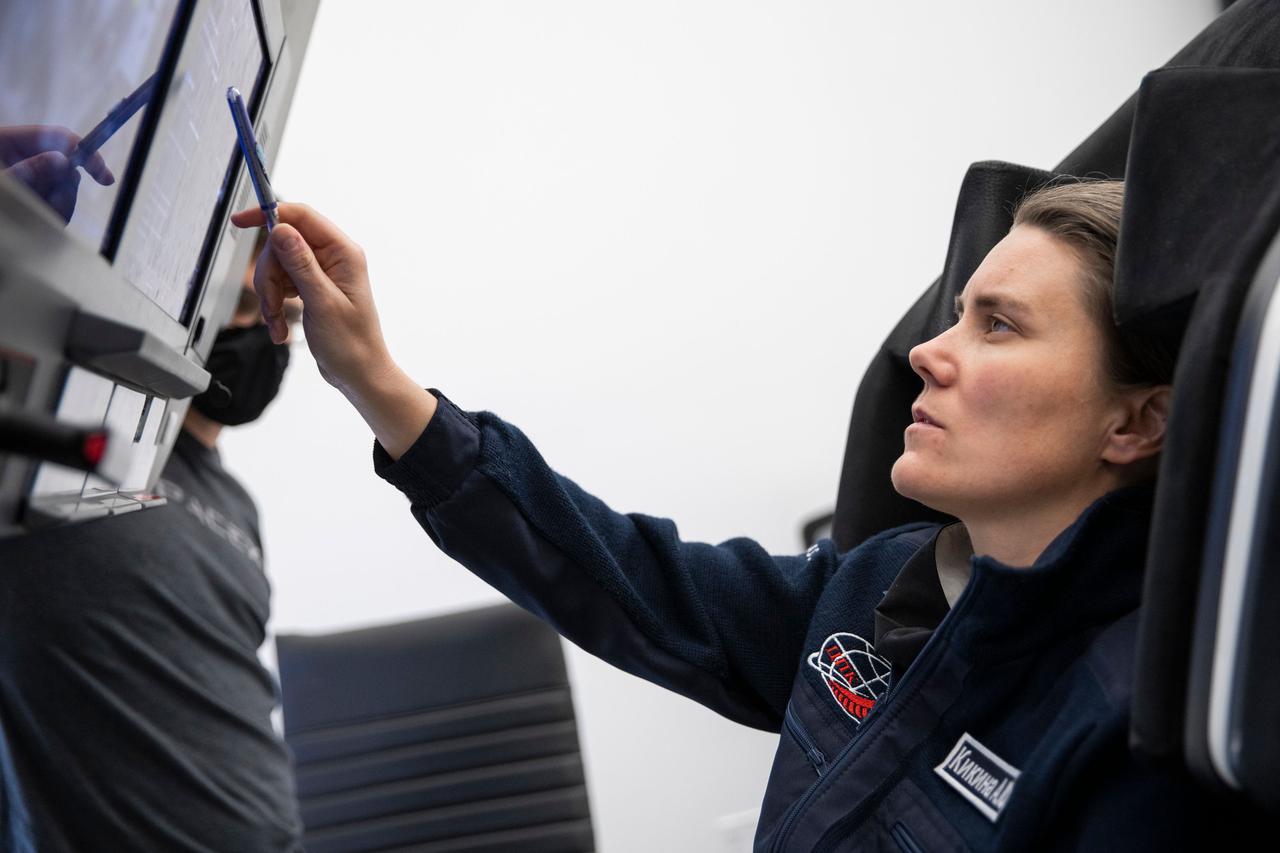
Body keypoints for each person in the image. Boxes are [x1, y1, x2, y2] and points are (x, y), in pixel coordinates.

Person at [231, 182, 1257, 850]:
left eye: (997, 326)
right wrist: (371, 377)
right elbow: (619, 576)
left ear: (1135, 420)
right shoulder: (881, 585)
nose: (931, 353)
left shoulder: (1132, 731)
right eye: (955, 316)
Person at [0, 236, 303, 852]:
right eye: (246, 309)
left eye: (282, 320)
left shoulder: (237, 507)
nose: (268, 334)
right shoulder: (59, 453)